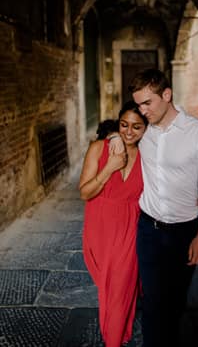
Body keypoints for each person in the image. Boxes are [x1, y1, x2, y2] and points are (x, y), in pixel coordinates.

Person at [110, 68, 198, 346]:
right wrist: (113, 136)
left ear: (167, 95)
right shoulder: (143, 131)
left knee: (175, 303)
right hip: (149, 229)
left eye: (148, 102)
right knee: (153, 303)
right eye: (139, 104)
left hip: (185, 232)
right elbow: (121, 129)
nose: (143, 110)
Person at [79, 101, 148, 346]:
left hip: (130, 228)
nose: (129, 132)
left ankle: (113, 341)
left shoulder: (148, 156)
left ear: (146, 129)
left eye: (137, 127)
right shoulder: (100, 148)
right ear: (118, 125)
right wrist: (109, 167)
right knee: (109, 289)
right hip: (99, 229)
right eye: (124, 125)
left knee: (120, 289)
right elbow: (85, 193)